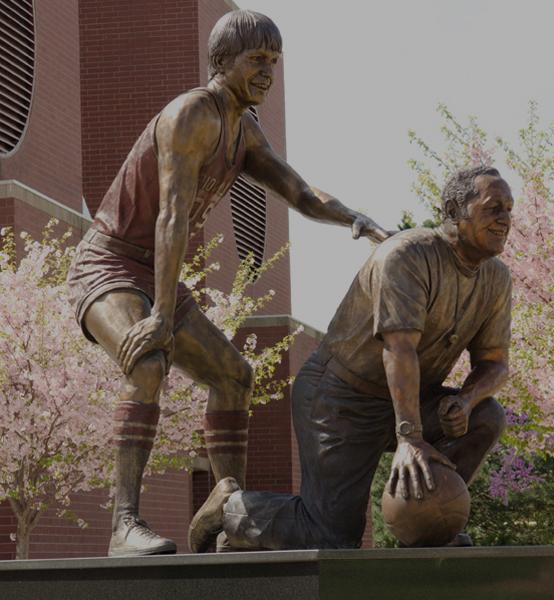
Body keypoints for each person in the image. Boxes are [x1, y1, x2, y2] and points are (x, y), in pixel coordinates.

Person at [67, 9, 389, 557]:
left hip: (154, 274)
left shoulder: (244, 130)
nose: (268, 72)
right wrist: (162, 318)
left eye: (275, 62)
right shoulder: (193, 113)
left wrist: (356, 219)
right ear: (221, 61)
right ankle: (123, 523)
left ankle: (228, 515)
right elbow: (172, 215)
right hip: (110, 265)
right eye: (257, 60)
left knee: (236, 375)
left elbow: (303, 194)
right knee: (148, 361)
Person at [195, 166, 513, 551]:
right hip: (339, 399)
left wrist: (465, 400)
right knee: (333, 536)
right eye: (494, 207)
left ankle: (431, 520)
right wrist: (410, 435)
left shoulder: (496, 278)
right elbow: (398, 349)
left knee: (487, 415)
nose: (504, 219)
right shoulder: (406, 255)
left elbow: (495, 363)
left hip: (409, 400)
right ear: (452, 209)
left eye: (509, 210)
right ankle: (232, 508)